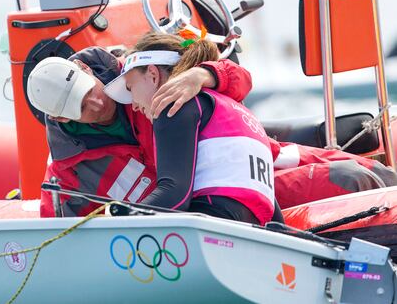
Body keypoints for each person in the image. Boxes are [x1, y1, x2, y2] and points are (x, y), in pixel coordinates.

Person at [27, 46, 256, 218]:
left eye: (89, 90)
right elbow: (58, 241)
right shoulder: (68, 176)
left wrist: (204, 75)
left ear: (85, 68)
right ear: (60, 118)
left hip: (246, 172)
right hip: (196, 218)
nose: (97, 103)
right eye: (82, 106)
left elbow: (243, 79)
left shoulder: (141, 71)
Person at [103, 32, 275, 225]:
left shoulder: (175, 106)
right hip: (253, 231)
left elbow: (174, 196)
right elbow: (271, 208)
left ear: (152, 74)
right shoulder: (240, 111)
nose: (133, 105)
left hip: (213, 225)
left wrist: (115, 219)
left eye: (130, 87)